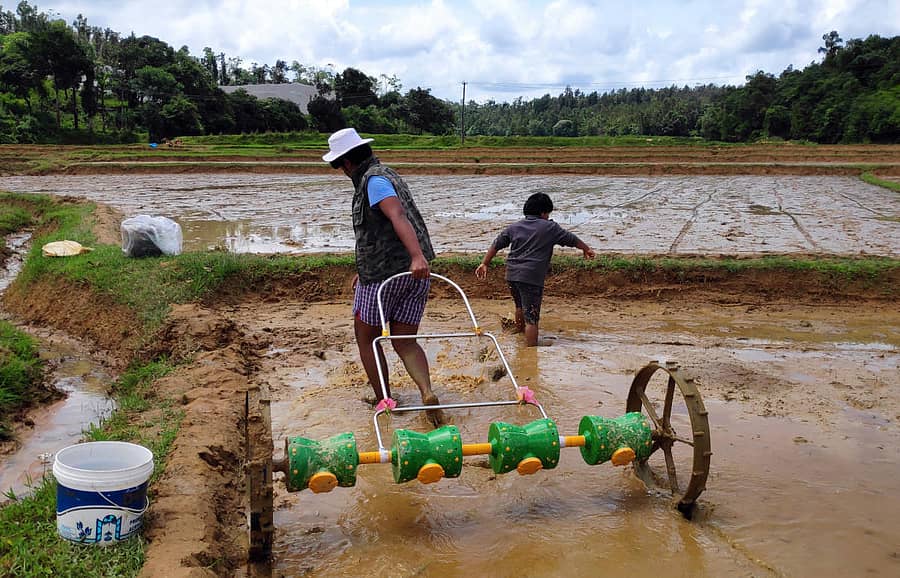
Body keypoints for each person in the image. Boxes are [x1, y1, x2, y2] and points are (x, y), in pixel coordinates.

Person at [323, 127, 444, 426]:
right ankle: (427, 392)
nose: (341, 171)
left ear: (347, 163)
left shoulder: (373, 182)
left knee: (367, 339)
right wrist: (365, 267)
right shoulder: (387, 174)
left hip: (386, 278)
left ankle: (385, 400)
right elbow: (380, 232)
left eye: (339, 166)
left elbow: (397, 216)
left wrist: (415, 255)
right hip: (414, 276)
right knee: (405, 341)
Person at [475, 193, 595, 346]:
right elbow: (571, 239)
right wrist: (586, 249)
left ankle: (520, 332)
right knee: (532, 316)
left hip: (512, 274)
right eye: (548, 213)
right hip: (531, 277)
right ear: (544, 212)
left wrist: (484, 263)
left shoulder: (514, 227)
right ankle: (530, 350)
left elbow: (496, 244)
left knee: (519, 306)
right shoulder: (550, 227)